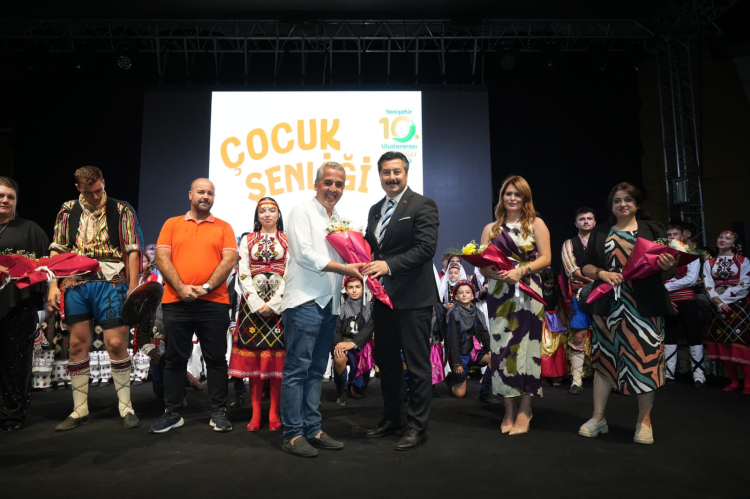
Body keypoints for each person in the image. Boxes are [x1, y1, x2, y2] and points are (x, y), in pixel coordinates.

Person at [578, 181, 677, 445]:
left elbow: (669, 270)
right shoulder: (600, 231)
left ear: (637, 204)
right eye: (617, 200)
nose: (622, 204)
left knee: (647, 362)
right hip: (608, 307)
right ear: (611, 205)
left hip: (644, 307)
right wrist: (601, 273)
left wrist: (669, 264)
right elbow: (585, 266)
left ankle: (644, 421)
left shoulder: (653, 229)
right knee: (603, 361)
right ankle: (598, 418)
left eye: (628, 200)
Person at [48, 166, 143, 431]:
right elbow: (58, 249)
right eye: (90, 192)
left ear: (103, 182)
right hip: (76, 283)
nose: (96, 196)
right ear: (78, 188)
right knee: (77, 344)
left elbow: (132, 250)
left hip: (111, 281)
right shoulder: (68, 209)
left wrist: (133, 288)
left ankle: (126, 406)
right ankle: (80, 410)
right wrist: (52, 285)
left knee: (116, 343)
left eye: (99, 190)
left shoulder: (121, 209)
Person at [280, 161, 365, 458]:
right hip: (303, 301)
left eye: (339, 184)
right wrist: (345, 268)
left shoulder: (339, 219)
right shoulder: (301, 211)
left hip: (330, 305)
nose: (333, 189)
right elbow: (304, 254)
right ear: (316, 184)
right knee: (297, 370)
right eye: (328, 182)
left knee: (317, 370)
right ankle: (293, 434)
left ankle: (313, 429)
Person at [362, 151, 440, 451]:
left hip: (414, 299)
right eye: (386, 172)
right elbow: (373, 248)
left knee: (417, 365)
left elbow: (426, 248)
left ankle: (417, 426)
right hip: (383, 299)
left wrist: (388, 266)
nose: (391, 177)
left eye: (397, 172)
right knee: (387, 363)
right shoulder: (375, 209)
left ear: (406, 173)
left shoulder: (422, 204)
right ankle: (392, 419)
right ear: (380, 175)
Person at [149, 178, 237, 434]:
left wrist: (206, 287)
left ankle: (219, 411)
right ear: (190, 194)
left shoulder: (224, 227)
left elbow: (229, 260)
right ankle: (172, 412)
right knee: (175, 359)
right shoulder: (172, 224)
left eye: (210, 193)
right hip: (177, 302)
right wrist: (181, 287)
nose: (205, 196)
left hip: (214, 302)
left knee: (216, 360)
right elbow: (162, 258)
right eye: (201, 192)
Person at [479, 175, 551, 435]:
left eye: (517, 194)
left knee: (527, 350)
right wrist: (488, 272)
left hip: (528, 292)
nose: (512, 198)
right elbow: (482, 263)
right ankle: (508, 410)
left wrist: (522, 270)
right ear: (502, 197)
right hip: (499, 294)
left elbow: (546, 258)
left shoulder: (535, 224)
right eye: (508, 193)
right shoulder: (491, 228)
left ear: (525, 198)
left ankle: (525, 410)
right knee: (502, 351)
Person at [228, 197, 287, 431]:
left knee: (276, 360)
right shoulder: (247, 239)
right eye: (263, 211)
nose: (267, 214)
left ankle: (274, 414)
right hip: (251, 307)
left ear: (279, 214)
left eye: (272, 210)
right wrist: (255, 301)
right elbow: (243, 272)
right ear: (257, 215)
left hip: (279, 306)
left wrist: (274, 303)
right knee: (254, 361)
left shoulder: (287, 240)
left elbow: (290, 272)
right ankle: (255, 414)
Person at [0, 177, 50, 432]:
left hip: (21, 305)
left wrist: (48, 299)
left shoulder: (31, 230)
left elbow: (48, 267)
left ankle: (13, 415)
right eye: (1, 195)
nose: (5, 200)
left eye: (10, 197)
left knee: (16, 363)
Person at [703, 230, 750, 394]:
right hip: (717, 307)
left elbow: (745, 284)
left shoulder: (743, 261)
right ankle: (734, 381)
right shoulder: (709, 262)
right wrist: (718, 302)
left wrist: (723, 300)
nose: (723, 240)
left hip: (738, 305)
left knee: (740, 342)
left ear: (734, 243)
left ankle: (748, 383)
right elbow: (708, 284)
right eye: (721, 237)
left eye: (728, 238)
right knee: (723, 342)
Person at [663, 222, 705, 388]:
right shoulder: (663, 255)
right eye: (669, 235)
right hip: (669, 301)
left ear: (682, 236)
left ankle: (699, 375)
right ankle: (669, 373)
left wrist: (666, 286)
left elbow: (691, 279)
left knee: (693, 335)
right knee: (669, 335)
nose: (672, 237)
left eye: (675, 234)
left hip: (687, 300)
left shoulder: (692, 255)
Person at [561, 207, 596, 395]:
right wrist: (598, 280)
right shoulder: (569, 244)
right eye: (582, 219)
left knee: (605, 337)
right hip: (579, 297)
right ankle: (576, 381)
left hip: (603, 296)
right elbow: (571, 270)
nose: (586, 221)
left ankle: (609, 380)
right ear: (576, 223)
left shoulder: (603, 241)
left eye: (589, 218)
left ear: (595, 222)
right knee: (578, 337)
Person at [332, 276, 375, 405]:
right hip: (344, 342)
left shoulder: (369, 306)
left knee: (358, 394)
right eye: (350, 287)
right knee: (339, 356)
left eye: (357, 287)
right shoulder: (341, 305)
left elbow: (369, 329)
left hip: (362, 345)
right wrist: (339, 345)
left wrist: (353, 344)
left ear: (363, 288)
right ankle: (342, 391)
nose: (354, 290)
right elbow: (336, 329)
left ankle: (356, 386)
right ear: (345, 289)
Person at [445, 279, 491, 398]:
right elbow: (452, 340)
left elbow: (483, 333)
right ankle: (450, 379)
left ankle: (485, 391)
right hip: (461, 355)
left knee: (494, 358)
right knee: (460, 394)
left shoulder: (477, 312)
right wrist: (456, 363)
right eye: (461, 293)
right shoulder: (453, 314)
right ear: (456, 297)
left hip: (474, 351)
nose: (464, 295)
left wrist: (490, 349)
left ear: (472, 296)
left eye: (467, 292)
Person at [540, 267, 568, 386]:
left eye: (552, 284)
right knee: (543, 348)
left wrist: (565, 325)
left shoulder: (556, 292)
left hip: (554, 320)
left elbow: (561, 308)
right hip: (541, 320)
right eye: (547, 283)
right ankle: (543, 377)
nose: (549, 286)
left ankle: (555, 376)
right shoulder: (538, 290)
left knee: (557, 348)